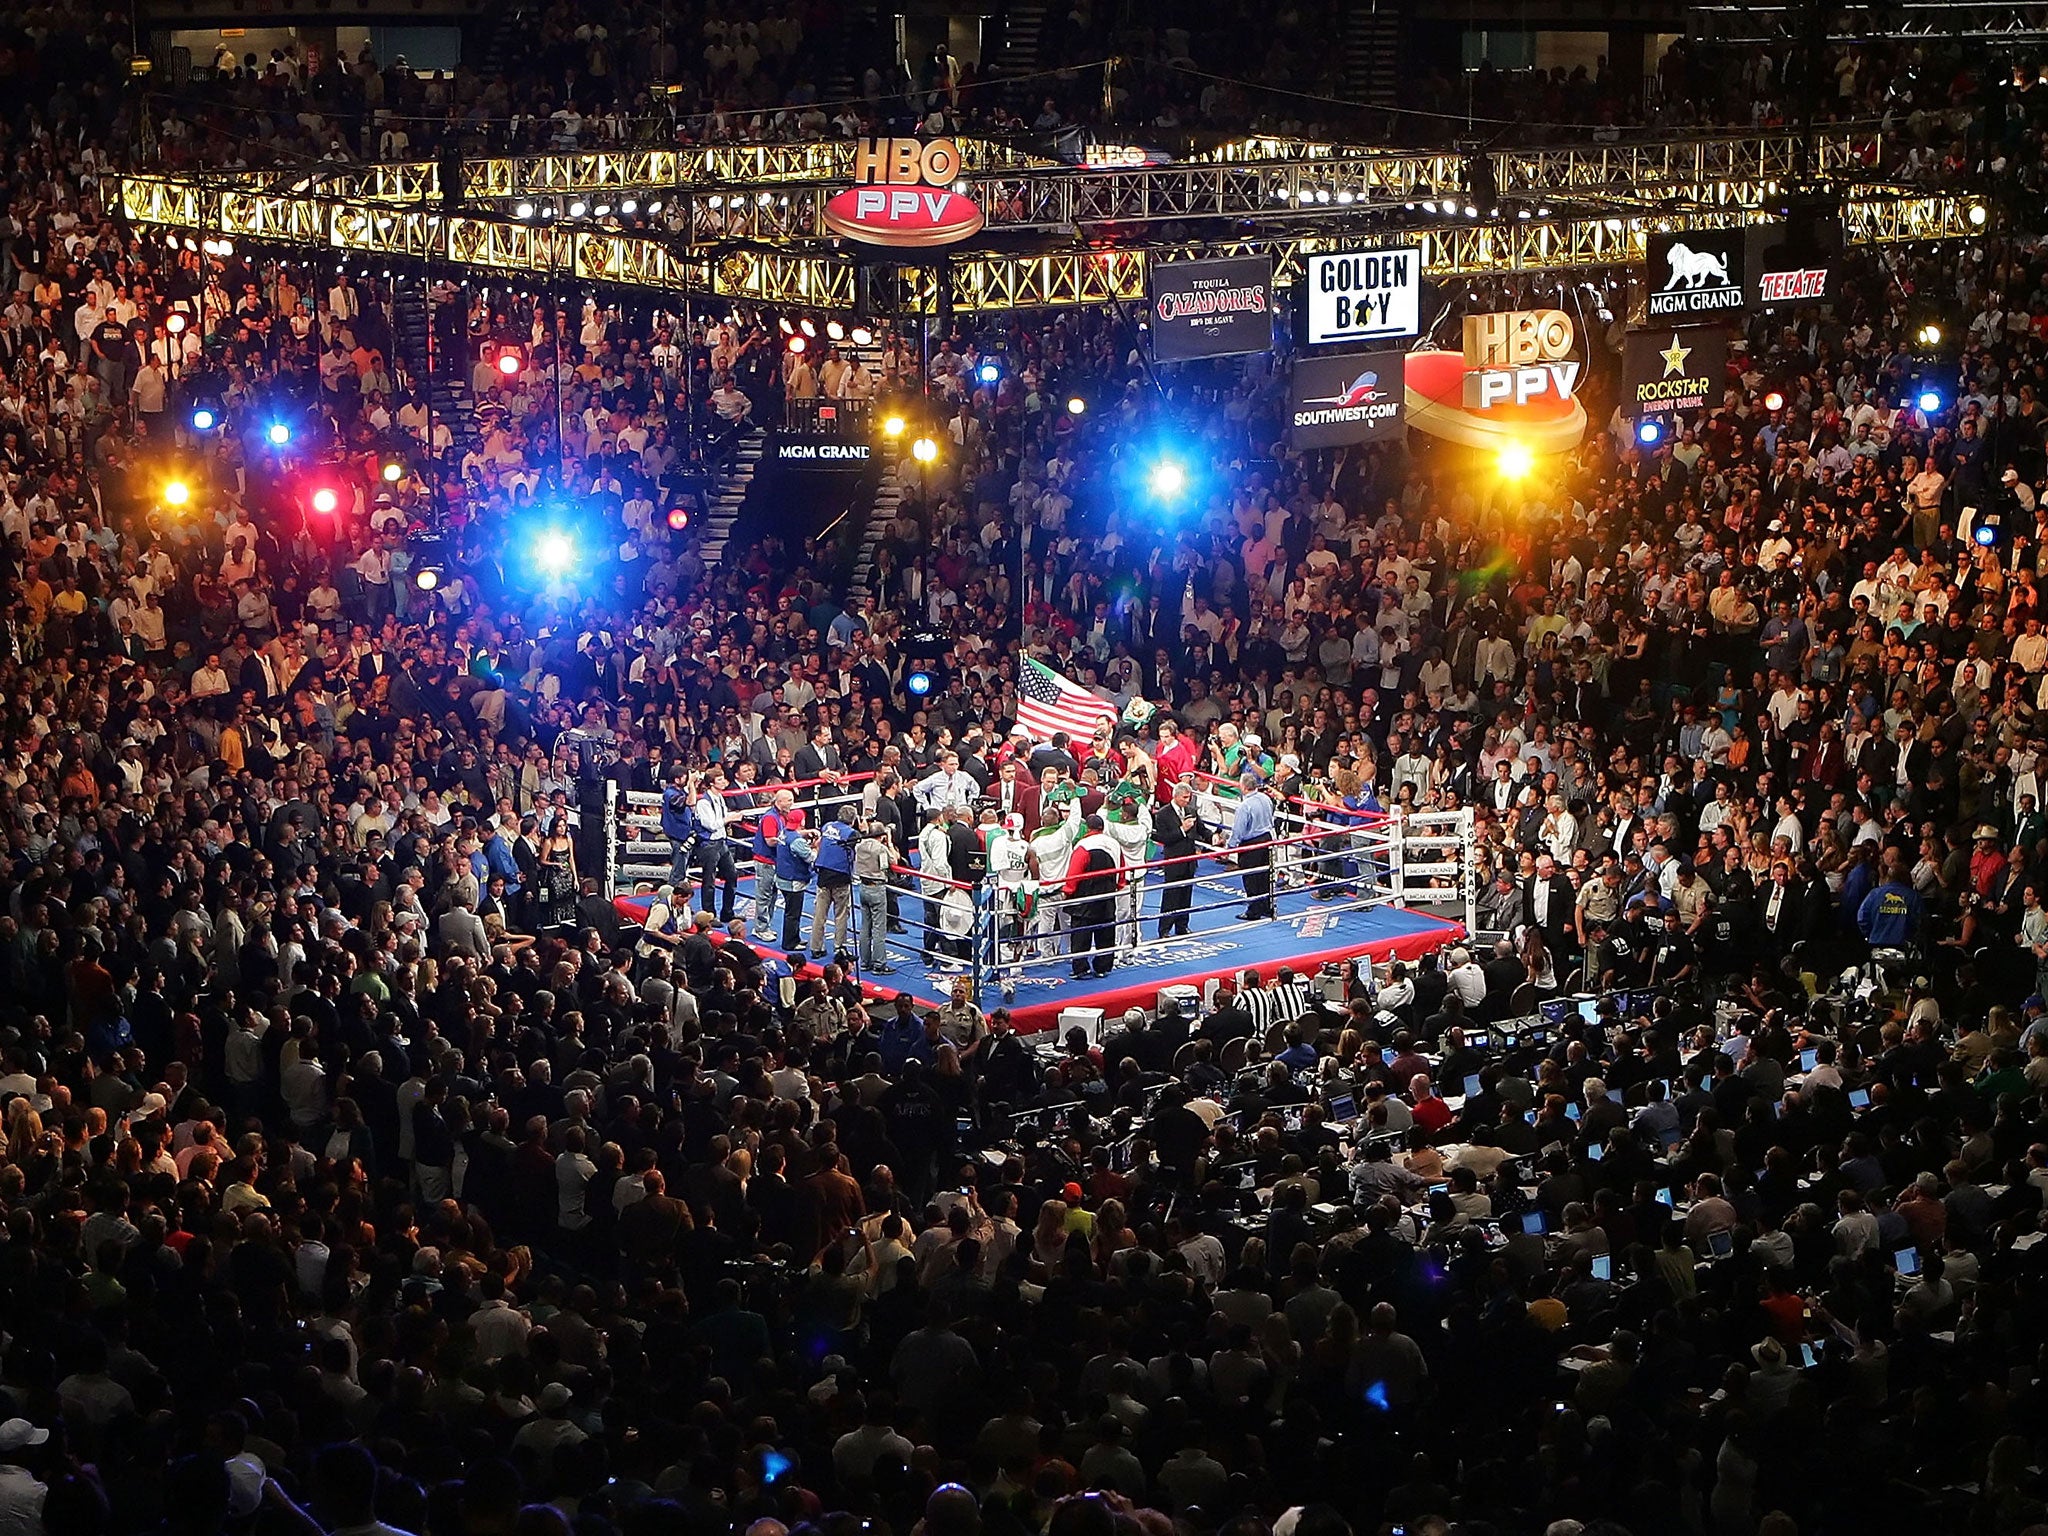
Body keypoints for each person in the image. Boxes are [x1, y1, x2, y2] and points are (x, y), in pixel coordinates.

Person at [1223, 773, 1276, 919]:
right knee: (1264, 875)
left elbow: (1238, 830)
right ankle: (1266, 907)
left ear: (1243, 787)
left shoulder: (1244, 806)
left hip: (1251, 844)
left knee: (1251, 878)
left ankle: (1253, 911)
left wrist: (1230, 848)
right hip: (1267, 840)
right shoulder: (1266, 798)